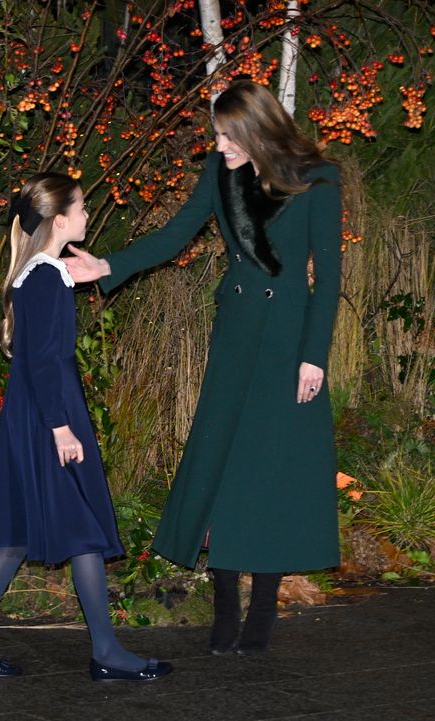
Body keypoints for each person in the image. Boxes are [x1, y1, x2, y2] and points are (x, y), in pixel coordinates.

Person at [65, 80, 342, 656]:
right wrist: (110, 263)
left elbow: (330, 278)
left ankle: (263, 607)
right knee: (222, 462)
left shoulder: (319, 180)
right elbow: (174, 236)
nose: (217, 147)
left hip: (289, 342)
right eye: (216, 135)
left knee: (271, 472)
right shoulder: (220, 176)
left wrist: (314, 355)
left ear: (255, 131)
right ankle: (224, 606)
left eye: (225, 136)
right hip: (238, 332)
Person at [0, 173, 173, 682]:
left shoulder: (39, 272)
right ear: (60, 218)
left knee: (18, 535)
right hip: (50, 417)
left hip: (33, 414)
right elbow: (45, 361)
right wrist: (61, 428)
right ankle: (108, 653)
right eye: (83, 206)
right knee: (83, 528)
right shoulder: (44, 277)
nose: (89, 215)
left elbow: (37, 354)